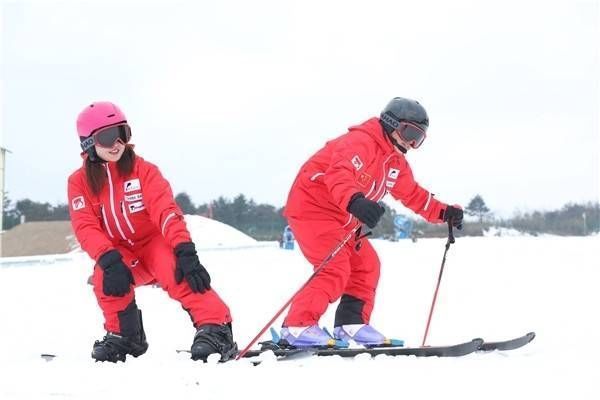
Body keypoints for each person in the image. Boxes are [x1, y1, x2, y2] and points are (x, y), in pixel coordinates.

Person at [280, 97, 464, 347]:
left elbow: (413, 194)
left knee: (366, 265)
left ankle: (350, 325)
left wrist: (444, 213)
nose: (411, 143)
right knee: (335, 267)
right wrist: (355, 201)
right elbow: (339, 173)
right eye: (410, 133)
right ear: (392, 123)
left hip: (343, 218)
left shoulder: (395, 161)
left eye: (418, 139)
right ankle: (297, 327)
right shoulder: (362, 142)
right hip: (314, 208)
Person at [67, 101, 237, 362]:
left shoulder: (144, 171)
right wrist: (108, 258)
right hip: (120, 253)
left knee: (177, 268)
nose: (117, 143)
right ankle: (124, 337)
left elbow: (165, 210)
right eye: (107, 136)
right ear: (88, 142)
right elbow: (85, 225)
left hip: (153, 243)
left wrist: (184, 249)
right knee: (104, 277)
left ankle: (215, 327)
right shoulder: (79, 183)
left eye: (122, 133)